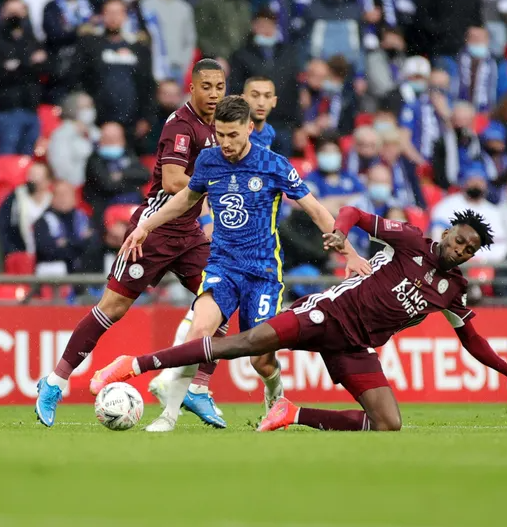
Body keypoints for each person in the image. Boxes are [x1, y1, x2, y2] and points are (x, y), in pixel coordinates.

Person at [92, 206, 507, 432]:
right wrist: (341, 236)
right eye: (459, 239)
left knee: (388, 424)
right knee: (243, 345)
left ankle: (291, 412)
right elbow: (351, 213)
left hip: (356, 346)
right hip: (326, 314)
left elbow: (471, 339)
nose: (461, 249)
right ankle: (136, 364)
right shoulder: (410, 241)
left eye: (469, 249)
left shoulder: (454, 290)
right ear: (447, 231)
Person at [96, 96, 370, 431]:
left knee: (261, 360)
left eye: (233, 135)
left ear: (250, 129)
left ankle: (276, 394)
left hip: (263, 274)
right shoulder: (209, 160)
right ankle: (168, 415)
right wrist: (145, 226)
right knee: (199, 332)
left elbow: (314, 209)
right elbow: (185, 198)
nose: (226, 143)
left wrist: (350, 252)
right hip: (222, 267)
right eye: (221, 134)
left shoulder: (273, 164)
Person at [34, 59, 225, 427]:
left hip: (189, 234)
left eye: (219, 87)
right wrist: (215, 188)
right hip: (154, 231)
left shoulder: (219, 126)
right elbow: (172, 182)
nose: (214, 94)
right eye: (207, 87)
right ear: (192, 88)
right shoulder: (181, 125)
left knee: (221, 302)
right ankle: (55, 382)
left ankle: (197, 388)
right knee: (112, 308)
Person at [147, 75, 280, 412]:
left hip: (260, 255)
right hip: (224, 250)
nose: (259, 102)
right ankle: (185, 384)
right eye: (252, 95)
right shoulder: (218, 136)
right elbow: (204, 185)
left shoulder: (268, 140)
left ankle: (272, 388)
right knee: (206, 313)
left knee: (260, 359)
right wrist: (206, 219)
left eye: (266, 96)